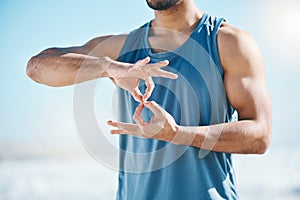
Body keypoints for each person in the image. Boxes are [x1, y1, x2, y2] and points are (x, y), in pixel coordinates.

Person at [26, 0, 272, 199]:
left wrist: (178, 133)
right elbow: (37, 68)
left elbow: (260, 135)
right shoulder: (122, 49)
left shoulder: (229, 43)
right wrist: (108, 67)